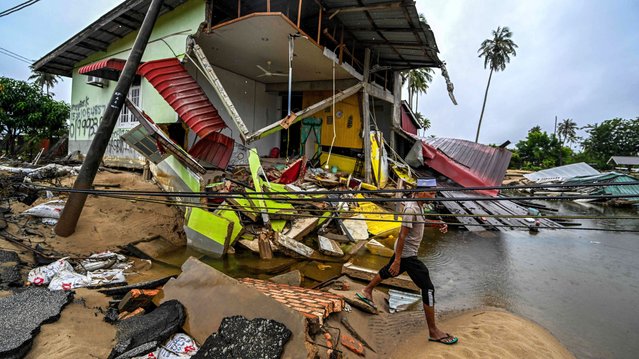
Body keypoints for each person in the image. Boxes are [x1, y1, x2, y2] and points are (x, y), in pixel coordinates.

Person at [361, 183, 458, 345]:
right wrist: (398, 260)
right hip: (408, 255)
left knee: (389, 271)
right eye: (431, 194)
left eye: (434, 194)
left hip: (405, 254)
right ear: (420, 193)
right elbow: (402, 235)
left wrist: (434, 223)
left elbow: (419, 222)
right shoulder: (411, 209)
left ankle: (367, 290)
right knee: (428, 288)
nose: (434, 197)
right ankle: (433, 331)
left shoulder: (418, 207)